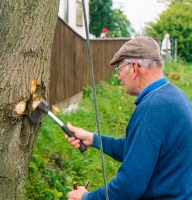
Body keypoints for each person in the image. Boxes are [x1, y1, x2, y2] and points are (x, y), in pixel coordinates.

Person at [66, 36, 192, 199]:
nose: (118, 77)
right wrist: (93, 139)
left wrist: (86, 197)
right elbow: (141, 150)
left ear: (134, 68)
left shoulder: (151, 110)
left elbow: (128, 187)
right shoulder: (176, 96)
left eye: (119, 70)